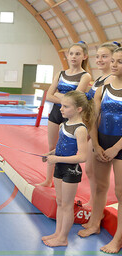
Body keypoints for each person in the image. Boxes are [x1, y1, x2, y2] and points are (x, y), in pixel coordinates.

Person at [78, 47, 122, 254]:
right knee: (100, 186)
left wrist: (115, 148)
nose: (113, 64)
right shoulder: (103, 87)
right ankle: (95, 223)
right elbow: (94, 118)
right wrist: (95, 143)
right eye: (113, 60)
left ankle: (117, 238)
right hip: (102, 141)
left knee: (120, 192)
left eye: (119, 62)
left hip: (120, 145)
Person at [41, 90, 94, 247]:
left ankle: (63, 238)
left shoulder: (80, 129)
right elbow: (60, 147)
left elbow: (82, 157)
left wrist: (56, 158)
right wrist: (50, 153)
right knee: (60, 202)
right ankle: (57, 233)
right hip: (59, 168)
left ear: (79, 109)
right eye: (61, 106)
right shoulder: (64, 125)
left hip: (71, 171)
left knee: (67, 204)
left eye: (65, 106)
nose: (61, 109)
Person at [38, 41, 92, 187]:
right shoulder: (60, 74)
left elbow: (76, 99)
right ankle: (49, 179)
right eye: (71, 53)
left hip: (72, 116)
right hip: (56, 113)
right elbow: (48, 95)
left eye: (78, 54)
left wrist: (59, 94)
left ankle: (63, 178)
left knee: (66, 148)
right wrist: (65, 97)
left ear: (85, 56)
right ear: (67, 56)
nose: (73, 56)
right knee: (51, 147)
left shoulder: (85, 76)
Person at [82, 42, 119, 209]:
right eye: (97, 56)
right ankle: (94, 201)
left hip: (102, 130)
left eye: (105, 56)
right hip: (94, 129)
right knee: (90, 170)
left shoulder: (111, 79)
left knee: (95, 172)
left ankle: (95, 202)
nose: (99, 60)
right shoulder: (99, 78)